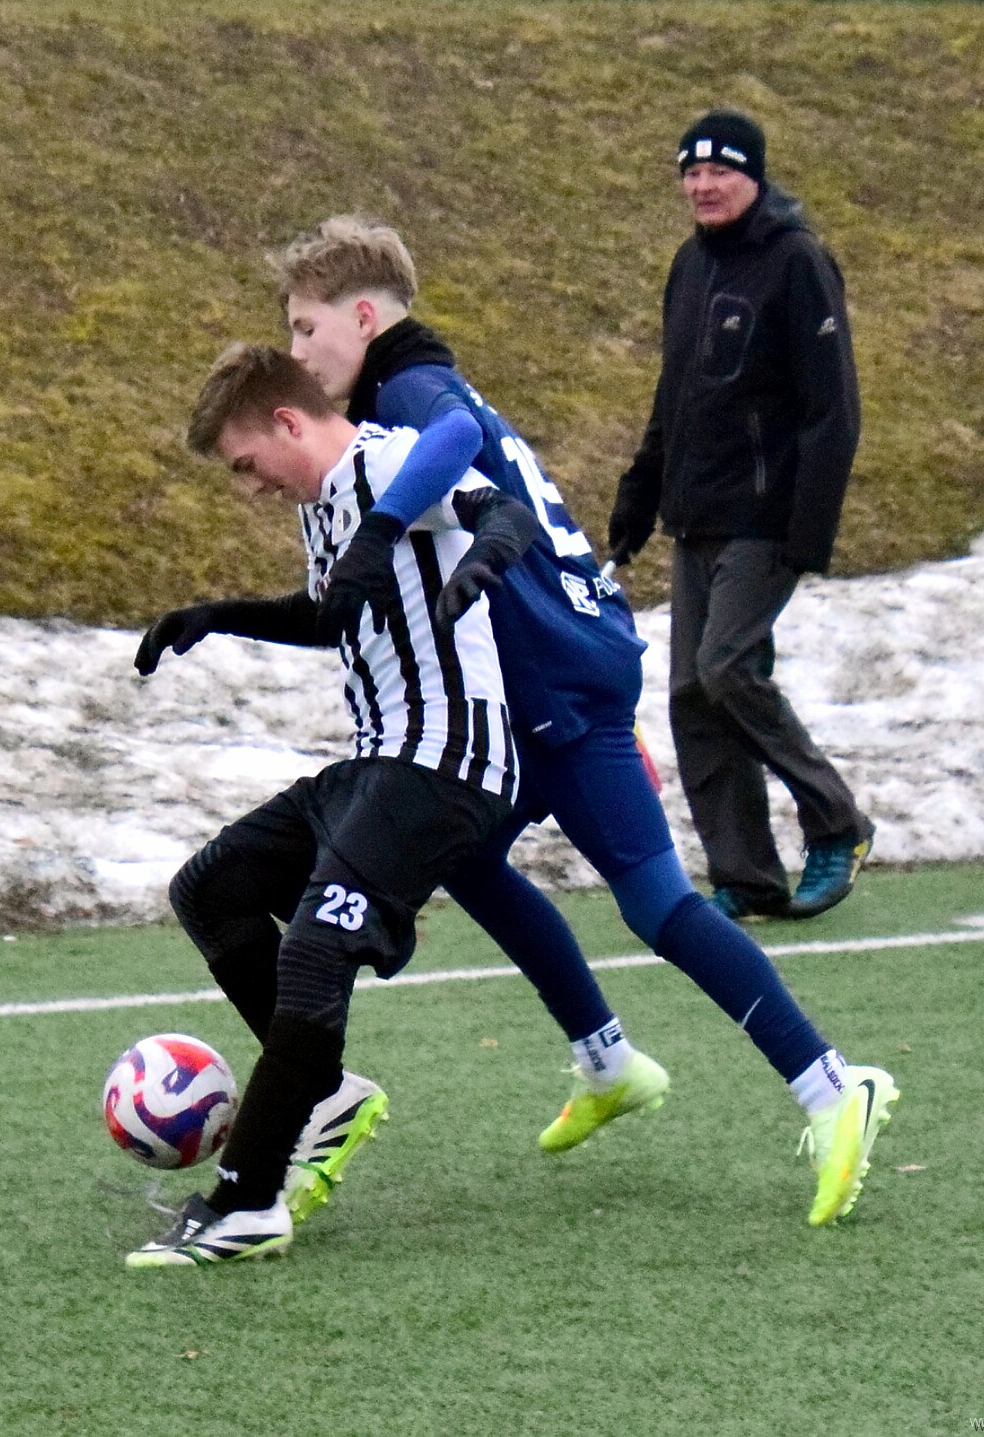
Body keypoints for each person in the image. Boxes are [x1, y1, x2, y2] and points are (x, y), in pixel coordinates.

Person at [271, 214, 898, 1227]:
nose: (297, 352)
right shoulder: (406, 388)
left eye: (307, 328)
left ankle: (832, 1087)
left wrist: (378, 533)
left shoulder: (411, 388)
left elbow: (455, 441)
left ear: (364, 317)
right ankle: (607, 1062)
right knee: (465, 857)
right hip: (554, 679)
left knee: (656, 907)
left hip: (555, 689)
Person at [127, 342, 564, 1266]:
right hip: (377, 763)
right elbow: (335, 615)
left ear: (288, 422)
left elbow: (503, 507)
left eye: (247, 464)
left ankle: (246, 1201)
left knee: (315, 953)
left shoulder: (388, 463)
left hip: (445, 763)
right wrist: (217, 615)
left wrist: (480, 560)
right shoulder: (325, 503)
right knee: (211, 888)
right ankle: (322, 1095)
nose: (251, 487)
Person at [609, 110, 877, 925]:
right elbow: (674, 397)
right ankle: (747, 876)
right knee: (693, 694)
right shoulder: (689, 266)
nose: (703, 185)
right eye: (690, 172)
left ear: (753, 177)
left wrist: (808, 529)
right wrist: (640, 494)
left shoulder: (796, 261)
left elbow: (832, 410)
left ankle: (836, 823)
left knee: (727, 668)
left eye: (719, 171)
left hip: (766, 517)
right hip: (696, 515)